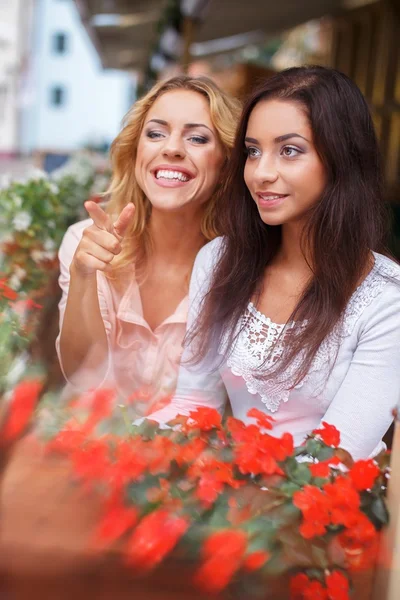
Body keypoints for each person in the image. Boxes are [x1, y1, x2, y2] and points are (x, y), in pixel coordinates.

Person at [146, 66, 400, 460]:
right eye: (252, 151)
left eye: (289, 150)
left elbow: (336, 458)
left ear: (341, 158)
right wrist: (119, 444)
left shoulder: (387, 298)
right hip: (227, 501)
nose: (261, 173)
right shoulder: (219, 261)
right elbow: (195, 405)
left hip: (324, 512)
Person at [56, 75, 240, 417]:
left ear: (227, 163)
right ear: (136, 150)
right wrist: (83, 275)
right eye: (155, 133)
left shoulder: (242, 267)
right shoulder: (85, 240)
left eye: (197, 138)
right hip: (90, 451)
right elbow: (81, 376)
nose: (170, 148)